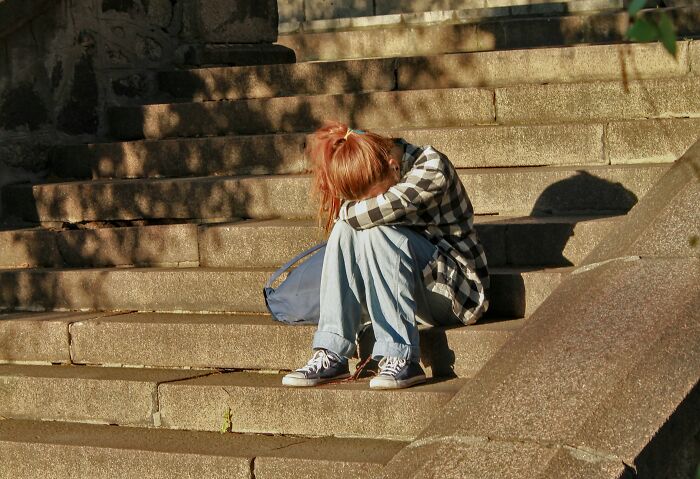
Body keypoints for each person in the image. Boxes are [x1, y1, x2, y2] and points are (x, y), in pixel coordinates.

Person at [282, 122, 489, 389]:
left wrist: (346, 212)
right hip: (413, 291)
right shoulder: (381, 167)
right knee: (349, 230)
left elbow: (364, 213)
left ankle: (401, 357)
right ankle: (332, 350)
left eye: (374, 196)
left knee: (371, 228)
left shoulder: (431, 168)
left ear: (393, 165)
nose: (369, 202)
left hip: (457, 294)